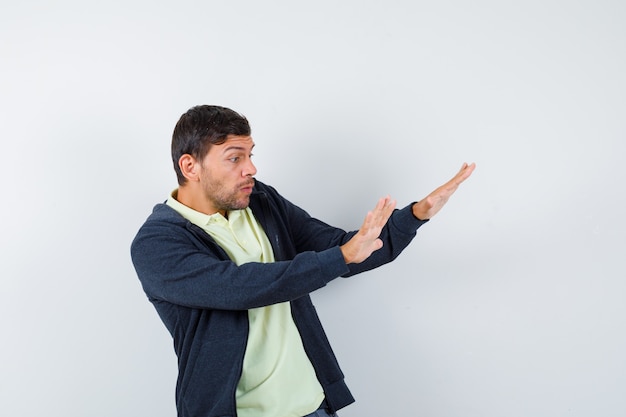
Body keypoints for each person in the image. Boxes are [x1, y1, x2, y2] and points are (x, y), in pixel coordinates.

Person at [130, 104, 475, 417]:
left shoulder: (260, 201)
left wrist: (415, 216)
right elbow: (239, 288)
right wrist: (341, 256)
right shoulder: (157, 243)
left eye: (250, 154)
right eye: (235, 158)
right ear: (190, 166)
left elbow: (348, 249)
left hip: (311, 405)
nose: (251, 168)